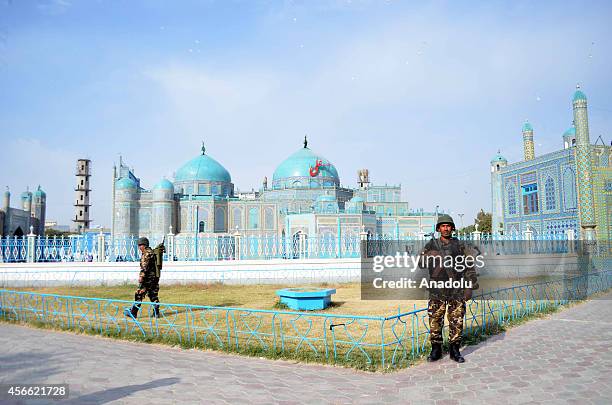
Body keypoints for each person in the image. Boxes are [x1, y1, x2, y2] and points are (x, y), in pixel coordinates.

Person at [420, 214, 479, 363]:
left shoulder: (460, 246)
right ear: (438, 229)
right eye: (443, 226)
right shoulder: (430, 245)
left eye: (448, 226)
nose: (446, 228)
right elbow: (420, 263)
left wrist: (469, 287)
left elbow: (469, 266)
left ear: (452, 228)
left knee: (456, 320)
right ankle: (436, 350)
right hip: (437, 290)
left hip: (456, 289)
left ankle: (455, 350)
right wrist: (431, 255)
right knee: (435, 320)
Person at [124, 237, 160, 319]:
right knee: (153, 295)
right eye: (139, 245)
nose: (140, 247)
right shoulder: (152, 252)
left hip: (147, 279)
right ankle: (156, 313)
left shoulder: (146, 254)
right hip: (154, 278)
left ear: (145, 245)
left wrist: (141, 276)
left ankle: (133, 312)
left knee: (139, 294)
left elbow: (144, 267)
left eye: (141, 245)